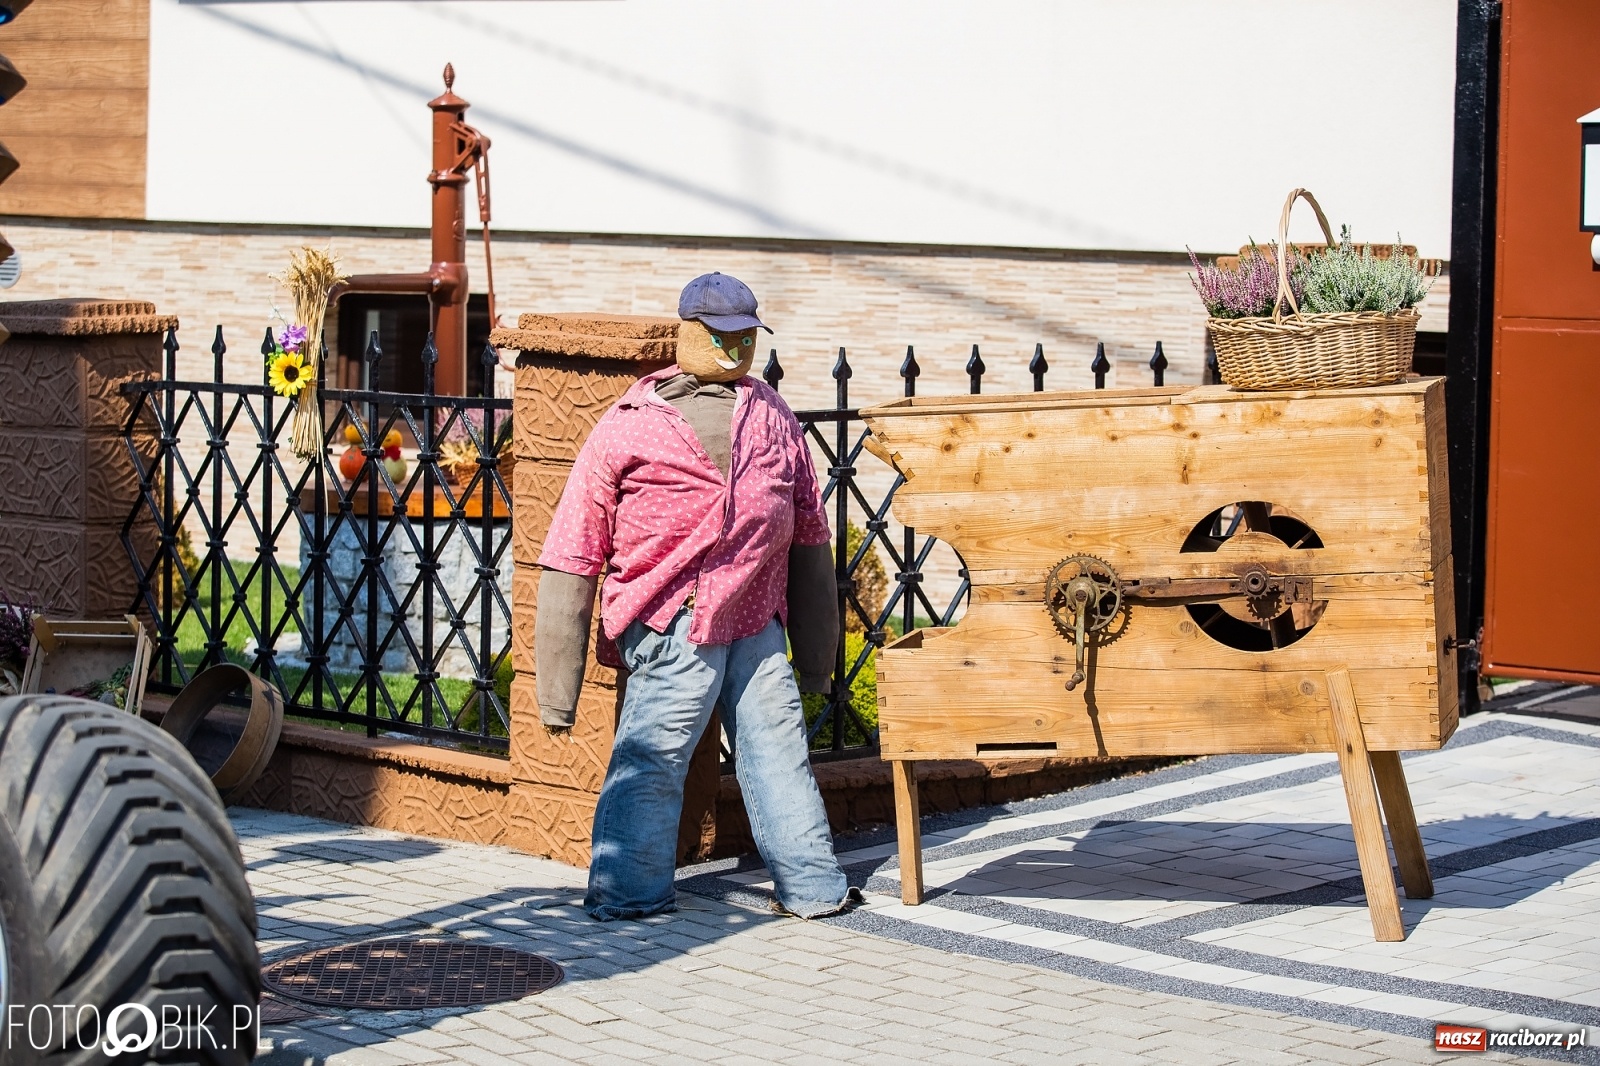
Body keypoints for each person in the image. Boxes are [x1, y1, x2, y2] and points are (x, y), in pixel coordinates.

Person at [534, 272, 860, 921]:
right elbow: (574, 548)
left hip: (756, 620)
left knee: (779, 753)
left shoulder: (771, 415)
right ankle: (628, 891)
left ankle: (813, 887)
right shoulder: (629, 424)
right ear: (689, 332)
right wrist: (557, 692)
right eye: (721, 335)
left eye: (746, 336)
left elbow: (809, 535)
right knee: (654, 757)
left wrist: (817, 659)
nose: (736, 349)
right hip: (670, 621)